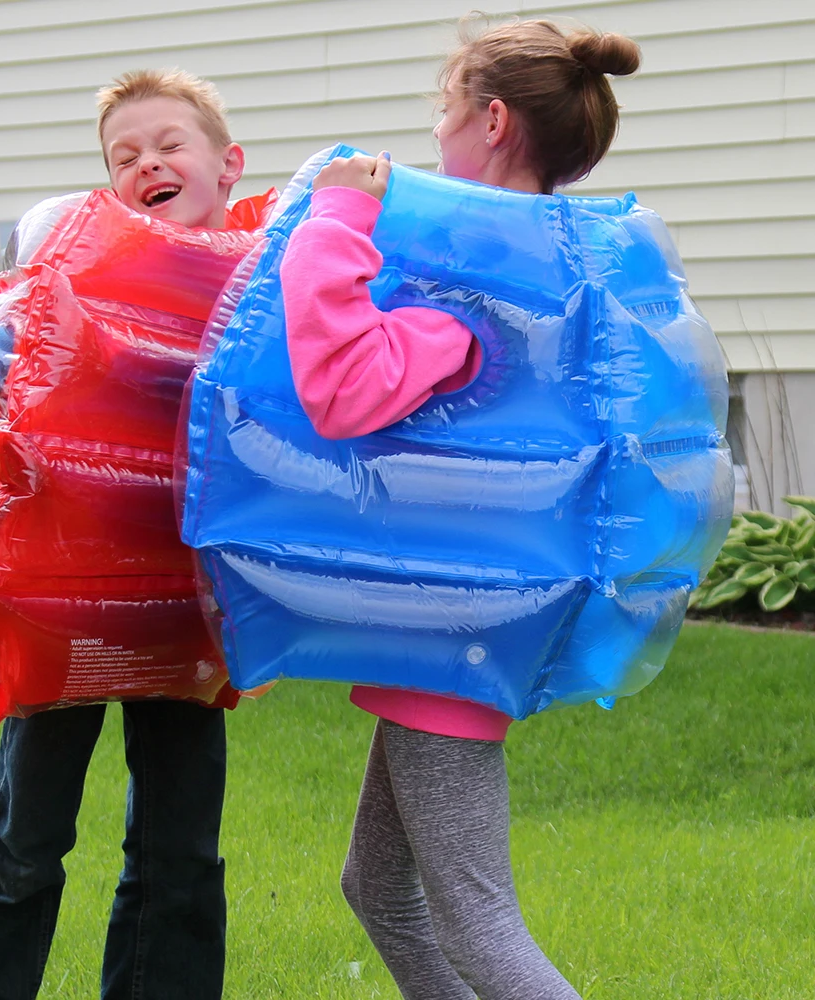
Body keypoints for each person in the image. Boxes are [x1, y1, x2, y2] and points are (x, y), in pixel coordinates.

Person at [279, 19, 641, 1000]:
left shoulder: (480, 277)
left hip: (455, 627)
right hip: (464, 611)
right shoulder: (528, 260)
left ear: (488, 119)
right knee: (378, 888)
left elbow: (343, 390)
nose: (429, 138)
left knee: (479, 922)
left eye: (441, 112)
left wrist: (334, 224)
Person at [0, 69, 246, 1000]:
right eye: (125, 157)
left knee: (180, 845)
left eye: (167, 145)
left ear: (227, 165)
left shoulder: (257, 275)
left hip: (187, 605)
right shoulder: (78, 261)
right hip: (64, 592)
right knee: (25, 831)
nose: (147, 163)